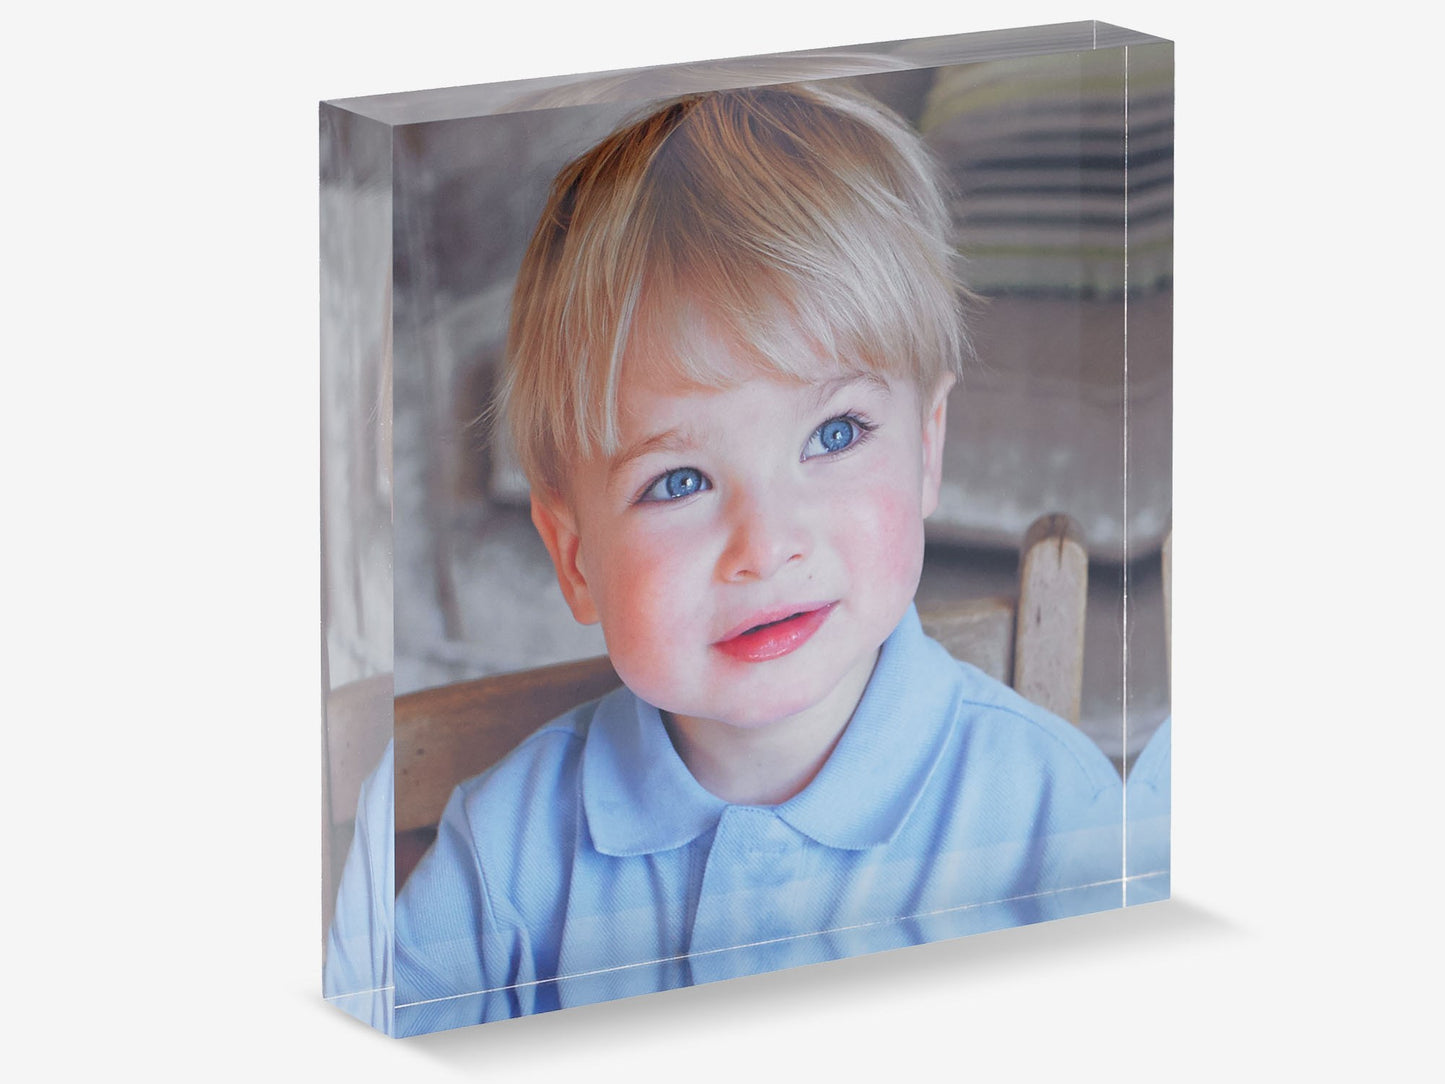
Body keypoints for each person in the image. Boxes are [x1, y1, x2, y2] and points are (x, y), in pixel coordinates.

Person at [388, 83, 1126, 1036]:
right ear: (573, 558)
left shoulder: (1053, 817)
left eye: (834, 433)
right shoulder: (503, 862)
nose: (767, 544)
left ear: (929, 446)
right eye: (679, 482)